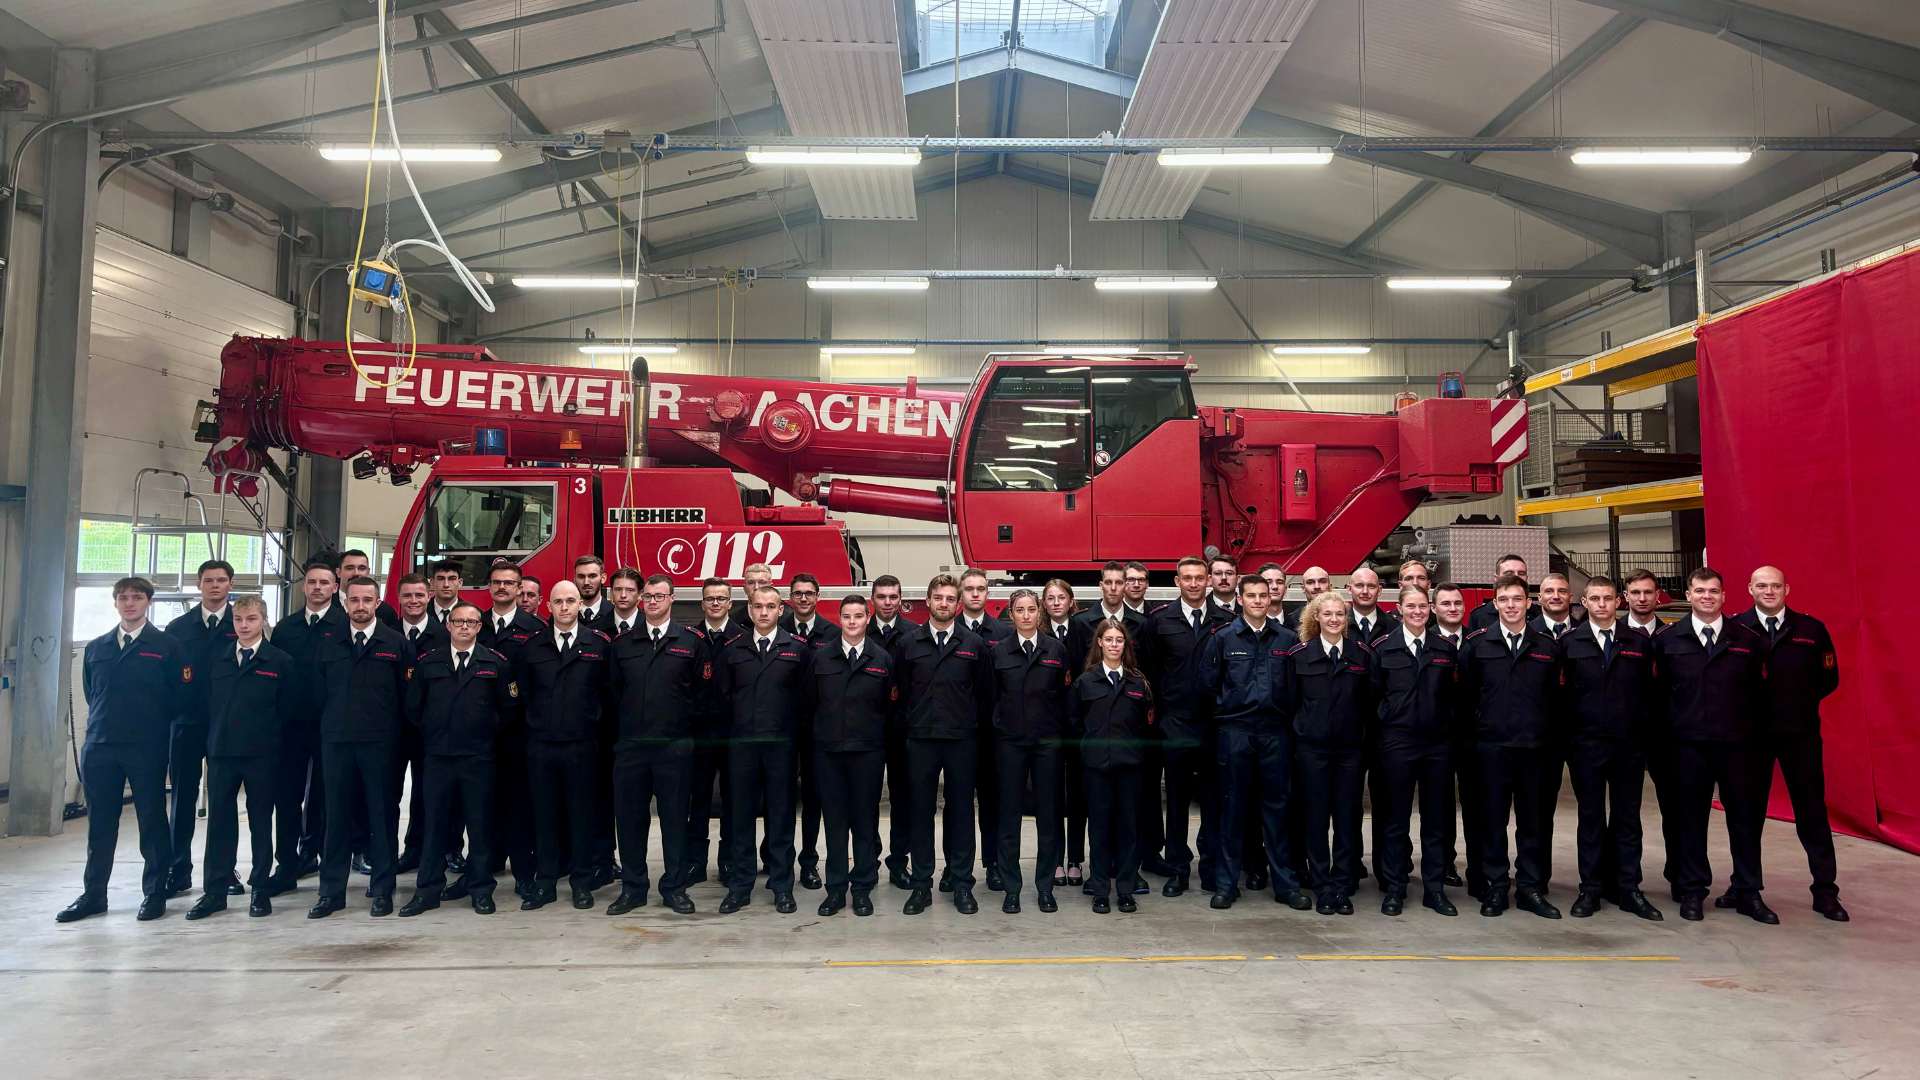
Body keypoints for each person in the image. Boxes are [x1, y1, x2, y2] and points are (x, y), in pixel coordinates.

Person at [58, 577, 193, 924]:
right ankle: (93, 894)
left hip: (146, 746)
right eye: (123, 598)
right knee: (100, 823)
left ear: (148, 602)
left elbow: (180, 697)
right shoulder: (97, 647)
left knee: (151, 820)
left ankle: (155, 892)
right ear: (115, 602)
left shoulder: (166, 646)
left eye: (137, 597)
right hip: (101, 745)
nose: (129, 603)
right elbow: (92, 693)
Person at [1651, 567, 1773, 924]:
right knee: (1690, 821)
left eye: (1714, 591)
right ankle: (1692, 891)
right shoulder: (1667, 641)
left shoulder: (1748, 640)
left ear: (1724, 596)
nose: (1707, 596)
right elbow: (1656, 698)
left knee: (1745, 821)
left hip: (1736, 747)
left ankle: (1748, 891)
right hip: (1687, 748)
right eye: (1700, 590)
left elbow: (1761, 696)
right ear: (1688, 595)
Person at [1733, 566, 1847, 921]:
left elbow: (1829, 679)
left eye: (1776, 586)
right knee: (1747, 815)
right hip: (1750, 738)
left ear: (1787, 589)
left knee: (1811, 812)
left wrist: (1794, 706)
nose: (1769, 591)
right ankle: (1745, 888)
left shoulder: (1811, 630)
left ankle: (1825, 891)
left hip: (1800, 736)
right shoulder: (1735, 629)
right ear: (1750, 589)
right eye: (1762, 585)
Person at [398, 602, 519, 917]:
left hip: (478, 758)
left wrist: (484, 732)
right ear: (448, 625)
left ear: (480, 627)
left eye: (471, 622)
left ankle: (480, 889)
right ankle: (427, 891)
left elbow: (508, 710)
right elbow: (414, 708)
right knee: (434, 826)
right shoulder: (428, 663)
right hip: (438, 758)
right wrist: (435, 732)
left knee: (480, 827)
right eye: (458, 621)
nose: (464, 627)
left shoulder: (495, 663)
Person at [1199, 575, 1310, 910]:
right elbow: (1207, 686)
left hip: (1275, 735)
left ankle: (1285, 885)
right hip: (1236, 734)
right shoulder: (1222, 639)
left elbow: (1296, 690)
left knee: (1277, 813)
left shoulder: (1288, 639)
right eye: (1252, 596)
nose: (1259, 601)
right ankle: (1226, 884)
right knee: (1232, 812)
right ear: (1240, 599)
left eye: (1264, 595)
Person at [1459, 574, 1564, 919]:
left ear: (1529, 603)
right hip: (1492, 751)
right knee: (1492, 822)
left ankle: (1531, 888)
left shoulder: (1547, 647)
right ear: (1494, 604)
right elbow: (1467, 698)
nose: (1511, 605)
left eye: (1517, 599)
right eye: (1503, 599)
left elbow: (1556, 699)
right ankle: (1496, 887)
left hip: (1534, 751)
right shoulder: (1477, 645)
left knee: (1533, 823)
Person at [606, 574, 711, 916]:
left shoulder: (691, 642)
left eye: (659, 596)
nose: (652, 602)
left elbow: (702, 695)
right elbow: (612, 694)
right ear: (640, 601)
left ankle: (675, 887)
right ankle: (633, 888)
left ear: (672, 599)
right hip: (632, 748)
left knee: (675, 819)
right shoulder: (622, 644)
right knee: (631, 820)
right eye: (648, 597)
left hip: (673, 749)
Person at [1559, 576, 1663, 921]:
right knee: (1590, 818)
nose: (1602, 604)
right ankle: (1590, 888)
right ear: (1583, 603)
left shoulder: (1638, 642)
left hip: (1628, 746)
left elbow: (1652, 694)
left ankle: (1628, 887)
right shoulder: (1569, 643)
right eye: (1595, 599)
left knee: (1627, 818)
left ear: (1618, 602)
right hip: (1585, 745)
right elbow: (1559, 695)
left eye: (1607, 598)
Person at [186, 595, 292, 921]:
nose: (244, 625)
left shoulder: (280, 662)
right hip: (222, 753)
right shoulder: (216, 660)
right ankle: (214, 891)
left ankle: (260, 888)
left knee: (261, 821)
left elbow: (289, 711)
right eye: (238, 620)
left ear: (263, 621)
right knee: (219, 823)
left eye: (251, 619)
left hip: (262, 755)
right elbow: (203, 706)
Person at [310, 577, 411, 919]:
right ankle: (331, 893)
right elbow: (317, 696)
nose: (361, 606)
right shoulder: (328, 644)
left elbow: (406, 699)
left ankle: (383, 891)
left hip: (381, 746)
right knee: (335, 819)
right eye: (354, 599)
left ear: (379, 601)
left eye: (368, 599)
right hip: (337, 744)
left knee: (381, 818)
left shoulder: (395, 644)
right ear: (345, 602)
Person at [897, 574, 992, 916]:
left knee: (962, 813)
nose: (944, 603)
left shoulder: (974, 645)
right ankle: (921, 886)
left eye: (951, 598)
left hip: (961, 740)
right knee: (920, 813)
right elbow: (901, 693)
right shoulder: (909, 643)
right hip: (921, 740)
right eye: (938, 597)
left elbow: (984, 694)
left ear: (958, 603)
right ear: (928, 600)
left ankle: (963, 884)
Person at [718, 584, 816, 915]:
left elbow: (807, 702)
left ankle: (782, 885)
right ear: (749, 610)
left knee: (781, 818)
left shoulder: (798, 650)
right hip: (742, 747)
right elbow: (723, 698)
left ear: (780, 610)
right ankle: (740, 886)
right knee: (741, 818)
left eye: (770, 606)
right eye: (757, 606)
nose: (763, 612)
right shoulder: (732, 650)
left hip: (781, 748)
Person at [517, 580, 611, 911]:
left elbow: (607, 693)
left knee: (581, 816)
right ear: (549, 606)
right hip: (542, 746)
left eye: (571, 601)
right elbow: (524, 693)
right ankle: (545, 883)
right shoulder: (532, 647)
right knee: (543, 817)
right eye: (559, 601)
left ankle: (581, 883)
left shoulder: (598, 645)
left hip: (582, 747)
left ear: (579, 605)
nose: (566, 607)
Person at [1367, 586, 1460, 916]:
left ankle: (1434, 890)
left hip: (1436, 746)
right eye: (1412, 606)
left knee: (1435, 821)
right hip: (1397, 744)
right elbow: (1372, 696)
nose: (1418, 612)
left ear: (1432, 609)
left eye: (1423, 606)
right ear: (1400, 609)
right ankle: (1395, 888)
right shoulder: (1382, 649)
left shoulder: (1445, 650)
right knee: (1395, 820)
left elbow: (1454, 697)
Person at [1141, 556, 1230, 897]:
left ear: (1209, 581)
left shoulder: (1225, 622)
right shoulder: (1160, 621)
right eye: (1187, 578)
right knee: (1176, 803)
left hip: (1213, 726)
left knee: (1212, 803)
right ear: (1177, 582)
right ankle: (1177, 868)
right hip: (1174, 726)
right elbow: (1148, 672)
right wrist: (1161, 719)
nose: (1193, 584)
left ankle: (1209, 868)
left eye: (1199, 578)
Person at [807, 594, 894, 917]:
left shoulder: (882, 660)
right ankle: (835, 890)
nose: (853, 622)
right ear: (839, 619)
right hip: (829, 753)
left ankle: (862, 888)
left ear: (867, 619)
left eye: (859, 616)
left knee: (864, 822)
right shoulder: (821, 658)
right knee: (835, 824)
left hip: (867, 754)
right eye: (847, 616)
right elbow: (809, 703)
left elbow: (889, 707)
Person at [265, 560, 346, 895]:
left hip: (330, 727)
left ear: (335, 587)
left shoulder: (344, 626)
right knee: (287, 798)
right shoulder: (286, 629)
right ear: (303, 586)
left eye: (324, 582)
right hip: (291, 728)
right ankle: (286, 865)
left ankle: (320, 859)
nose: (317, 588)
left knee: (326, 799)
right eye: (312, 582)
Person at [988, 589, 1070, 914]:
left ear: (1039, 613)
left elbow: (1065, 697)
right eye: (1019, 610)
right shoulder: (998, 652)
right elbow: (990, 696)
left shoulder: (1056, 650)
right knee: (1009, 818)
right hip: (1010, 745)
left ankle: (1045, 887)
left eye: (1031, 609)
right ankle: (1012, 889)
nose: (1025, 615)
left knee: (1048, 818)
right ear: (1010, 614)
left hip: (1047, 745)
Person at [1290, 593, 1373, 916]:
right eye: (1328, 614)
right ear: (1317, 618)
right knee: (1315, 821)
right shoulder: (1299, 656)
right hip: (1312, 752)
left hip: (1349, 752)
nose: (1335, 619)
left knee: (1347, 820)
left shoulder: (1361, 656)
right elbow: (1290, 704)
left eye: (1340, 614)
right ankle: (1322, 886)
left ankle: (1342, 885)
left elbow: (1369, 703)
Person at [162, 559, 236, 899]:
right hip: (187, 725)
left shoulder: (244, 623)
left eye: (221, 580)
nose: (215, 586)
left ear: (230, 585)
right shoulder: (178, 629)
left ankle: (224, 870)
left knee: (222, 800)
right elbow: (165, 679)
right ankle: (178, 869)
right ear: (199, 585)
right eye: (209, 580)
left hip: (227, 725)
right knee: (182, 798)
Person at [1074, 620, 1152, 914]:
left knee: (1128, 829)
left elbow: (1146, 723)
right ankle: (1100, 889)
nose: (1114, 645)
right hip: (1096, 768)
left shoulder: (1138, 682)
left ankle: (1126, 889)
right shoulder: (1086, 682)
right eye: (1109, 640)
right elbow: (1075, 721)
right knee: (1100, 829)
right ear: (1100, 644)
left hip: (1129, 767)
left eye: (1119, 640)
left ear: (1125, 646)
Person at [478, 560, 543, 899]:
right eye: (496, 582)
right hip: (479, 731)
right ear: (489, 587)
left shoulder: (534, 628)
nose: (502, 588)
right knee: (480, 805)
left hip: (517, 731)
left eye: (509, 583)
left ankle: (524, 875)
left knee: (519, 806)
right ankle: (481, 869)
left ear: (520, 589)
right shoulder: (474, 623)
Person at [391, 573, 446, 874]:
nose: (413, 601)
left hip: (429, 732)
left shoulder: (445, 636)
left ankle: (426, 850)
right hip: (393, 732)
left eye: (419, 595)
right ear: (399, 599)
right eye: (408, 595)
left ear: (429, 597)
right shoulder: (385, 635)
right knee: (390, 795)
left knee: (429, 796)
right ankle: (390, 853)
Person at [956, 568, 1007, 892]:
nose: (975, 594)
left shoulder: (1002, 632)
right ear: (961, 594)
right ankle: (954, 868)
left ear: (988, 593)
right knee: (957, 805)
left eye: (981, 589)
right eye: (970, 589)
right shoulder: (946, 629)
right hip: (959, 734)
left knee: (992, 804)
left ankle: (994, 864)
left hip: (990, 734)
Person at [782, 572, 833, 890]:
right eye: (798, 593)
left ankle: (809, 862)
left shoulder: (832, 632)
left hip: (817, 728)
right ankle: (781, 861)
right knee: (783, 798)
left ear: (818, 596)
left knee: (813, 799)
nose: (803, 598)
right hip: (784, 727)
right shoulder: (777, 628)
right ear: (790, 597)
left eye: (809, 593)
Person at [687, 578, 736, 886]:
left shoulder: (741, 638)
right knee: (698, 801)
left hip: (732, 735)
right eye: (710, 599)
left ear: (731, 603)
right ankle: (695, 863)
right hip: (699, 734)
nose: (715, 603)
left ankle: (729, 862)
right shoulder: (689, 638)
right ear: (702, 603)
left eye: (721, 598)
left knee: (733, 801)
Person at [1042, 579, 1091, 888]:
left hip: (1079, 725)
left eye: (1062, 597)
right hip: (1049, 724)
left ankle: (1075, 859)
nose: (1056, 602)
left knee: (1078, 795)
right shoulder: (1039, 634)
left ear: (1072, 600)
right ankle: (1054, 859)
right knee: (1051, 797)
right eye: (1050, 598)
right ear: (1043, 603)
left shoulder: (1084, 631)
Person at [869, 574, 914, 890]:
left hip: (902, 731)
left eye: (892, 597)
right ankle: (867, 862)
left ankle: (899, 863)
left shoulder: (913, 635)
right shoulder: (859, 630)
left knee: (903, 800)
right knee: (866, 800)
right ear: (873, 599)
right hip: (868, 731)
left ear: (901, 600)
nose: (887, 602)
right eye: (881, 596)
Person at [1430, 582, 1471, 892]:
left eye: (1457, 603)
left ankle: (1480, 866)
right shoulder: (1425, 642)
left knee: (1475, 805)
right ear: (1435, 609)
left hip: (1473, 736)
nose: (1453, 608)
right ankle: (1443, 864)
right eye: (1446, 604)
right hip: (1437, 737)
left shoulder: (1477, 641)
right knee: (1440, 806)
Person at [337, 549, 401, 629]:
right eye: (350, 568)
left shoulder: (386, 612)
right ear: (338, 572)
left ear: (368, 572)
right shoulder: (325, 605)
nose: (356, 573)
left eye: (362, 568)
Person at [1468, 554, 1534, 631]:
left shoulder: (1539, 613)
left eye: (1521, 574)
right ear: (1496, 578)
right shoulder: (1479, 616)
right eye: (1509, 573)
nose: (1516, 577)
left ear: (1527, 578)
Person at [1075, 562, 1141, 633]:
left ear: (1125, 586)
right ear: (1101, 586)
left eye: (1118, 583)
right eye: (1108, 582)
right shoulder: (1080, 622)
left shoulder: (1140, 623)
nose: (1113, 588)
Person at [1345, 566, 1395, 643]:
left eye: (1371, 586)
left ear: (1379, 590)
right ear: (1349, 589)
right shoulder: (1339, 625)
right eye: (1359, 586)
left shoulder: (1395, 627)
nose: (1365, 591)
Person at [574, 555, 614, 632]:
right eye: (581, 577)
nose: (586, 582)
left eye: (592, 576)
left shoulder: (614, 614)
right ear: (575, 579)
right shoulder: (565, 614)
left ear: (603, 578)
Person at [1532, 573, 1577, 639]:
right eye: (1549, 591)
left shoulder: (1584, 631)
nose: (1556, 596)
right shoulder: (1527, 632)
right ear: (1539, 598)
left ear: (1570, 598)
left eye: (1562, 591)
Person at [606, 569, 642, 637]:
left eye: (630, 590)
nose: (623, 595)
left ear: (640, 594)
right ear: (611, 592)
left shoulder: (651, 627)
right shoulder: (596, 627)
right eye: (618, 589)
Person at [428, 560, 464, 626]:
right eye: (441, 579)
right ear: (432, 582)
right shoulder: (420, 613)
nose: (446, 585)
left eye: (452, 579)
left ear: (460, 583)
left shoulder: (474, 614)